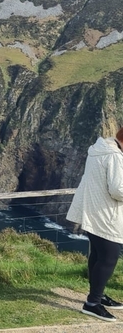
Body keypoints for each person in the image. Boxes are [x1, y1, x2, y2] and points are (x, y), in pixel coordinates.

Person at [66, 126, 123, 322]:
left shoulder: (98, 150)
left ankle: (98, 295)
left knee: (98, 255)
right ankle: (92, 304)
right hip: (104, 214)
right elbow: (117, 189)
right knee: (109, 257)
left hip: (91, 210)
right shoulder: (114, 156)